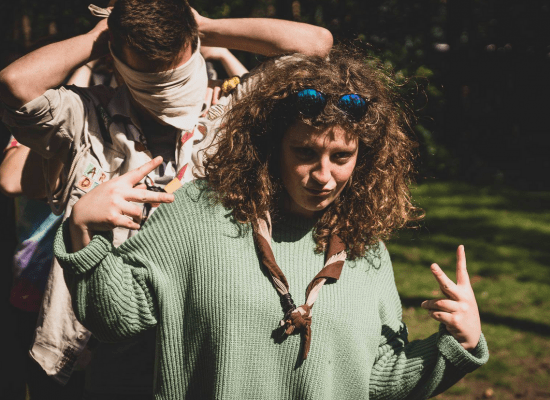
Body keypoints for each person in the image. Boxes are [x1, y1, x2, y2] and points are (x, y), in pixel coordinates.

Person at [55, 46, 489, 400]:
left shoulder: (365, 248)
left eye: (341, 157)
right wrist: (82, 230)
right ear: (271, 147)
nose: (323, 175)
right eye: (304, 152)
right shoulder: (198, 214)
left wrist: (458, 344)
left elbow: (376, 378)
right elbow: (116, 317)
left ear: (365, 158)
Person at [0, 0, 333, 397]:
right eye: (149, 74)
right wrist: (100, 37)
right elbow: (16, 84)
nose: (166, 91)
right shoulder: (85, 117)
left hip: (206, 331)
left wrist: (203, 25)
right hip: (105, 335)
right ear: (118, 58)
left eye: (173, 71)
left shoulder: (234, 111)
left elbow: (316, 45)